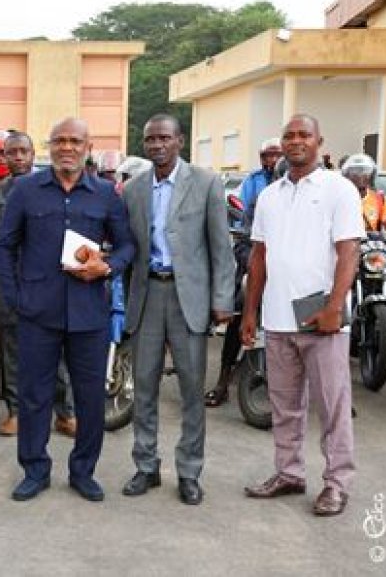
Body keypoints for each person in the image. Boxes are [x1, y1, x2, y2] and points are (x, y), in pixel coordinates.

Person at [0, 117, 135, 503]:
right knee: (34, 394)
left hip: (90, 312)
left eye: (75, 141)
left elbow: (126, 246)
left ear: (88, 146)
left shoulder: (106, 194)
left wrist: (105, 267)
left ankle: (83, 471)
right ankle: (34, 470)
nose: (67, 147)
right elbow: (5, 246)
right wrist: (14, 298)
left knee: (90, 397)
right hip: (37, 312)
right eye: (59, 141)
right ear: (49, 146)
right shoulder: (26, 191)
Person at [241, 114, 363, 517]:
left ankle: (337, 482)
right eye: (289, 135)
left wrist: (333, 308)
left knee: (332, 405)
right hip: (277, 320)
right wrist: (250, 311)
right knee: (285, 405)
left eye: (303, 135)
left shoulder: (339, 189)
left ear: (318, 141)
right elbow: (259, 257)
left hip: (321, 320)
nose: (295, 141)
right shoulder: (271, 196)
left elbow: (349, 251)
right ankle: (289, 473)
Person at [121, 113, 235, 506]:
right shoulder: (133, 189)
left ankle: (189, 471)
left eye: (164, 138)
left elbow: (222, 248)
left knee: (190, 389)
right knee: (145, 386)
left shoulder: (205, 184)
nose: (156, 145)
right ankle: (146, 466)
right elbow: (129, 249)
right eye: (150, 139)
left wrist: (222, 299)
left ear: (179, 141)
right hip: (148, 295)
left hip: (190, 299)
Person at [0, 131, 77, 437]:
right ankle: (16, 411)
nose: (18, 158)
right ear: (4, 158)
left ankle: (64, 413)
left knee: (57, 350)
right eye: (12, 153)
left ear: (34, 154)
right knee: (13, 351)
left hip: (50, 283)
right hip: (11, 283)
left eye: (24, 151)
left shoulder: (54, 190)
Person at [205, 137, 283, 407]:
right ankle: (223, 381)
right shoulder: (258, 197)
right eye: (268, 156)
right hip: (257, 265)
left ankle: (330, 393)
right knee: (238, 311)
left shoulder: (315, 202)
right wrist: (253, 261)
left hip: (290, 278)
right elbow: (244, 237)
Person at [342, 153, 386, 235]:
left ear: (372, 175)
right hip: (346, 244)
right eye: (355, 171)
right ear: (346, 175)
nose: (360, 175)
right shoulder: (339, 199)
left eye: (365, 171)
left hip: (372, 246)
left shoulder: (380, 199)